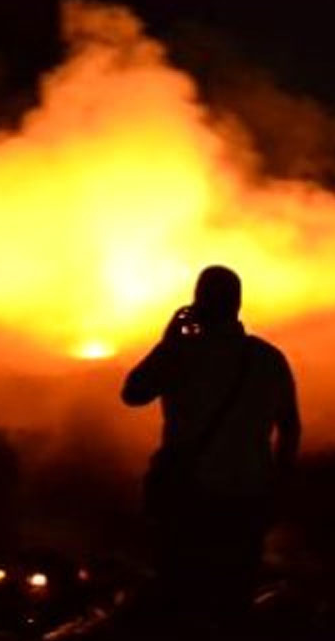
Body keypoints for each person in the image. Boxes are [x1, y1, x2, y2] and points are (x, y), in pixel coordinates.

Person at [121, 265, 300, 619]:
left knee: (183, 601)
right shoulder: (270, 359)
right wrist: (276, 488)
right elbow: (290, 428)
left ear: (198, 304)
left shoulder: (182, 355)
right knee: (234, 604)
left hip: (191, 502)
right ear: (237, 304)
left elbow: (133, 393)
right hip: (248, 502)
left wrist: (168, 342)